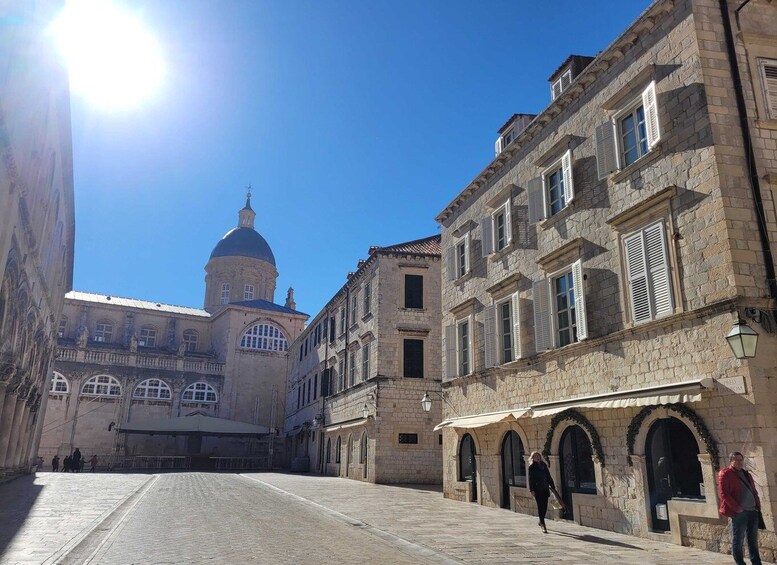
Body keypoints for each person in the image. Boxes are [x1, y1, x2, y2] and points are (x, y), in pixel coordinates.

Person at [719, 451, 762, 565]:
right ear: (731, 461)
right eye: (736, 460)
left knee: (752, 540)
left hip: (752, 510)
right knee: (738, 539)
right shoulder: (725, 474)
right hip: (740, 512)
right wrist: (737, 509)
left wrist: (757, 506)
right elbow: (724, 494)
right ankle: (740, 562)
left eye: (741, 460)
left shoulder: (746, 474)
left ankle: (756, 562)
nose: (739, 462)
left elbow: (753, 491)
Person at [529, 451, 558, 533]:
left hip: (545, 488)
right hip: (537, 489)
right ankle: (543, 524)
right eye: (535, 456)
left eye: (538, 456)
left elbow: (548, 476)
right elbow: (531, 479)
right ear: (533, 458)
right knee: (540, 506)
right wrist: (531, 490)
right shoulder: (531, 467)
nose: (537, 457)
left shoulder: (543, 465)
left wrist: (552, 486)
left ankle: (541, 520)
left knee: (544, 506)